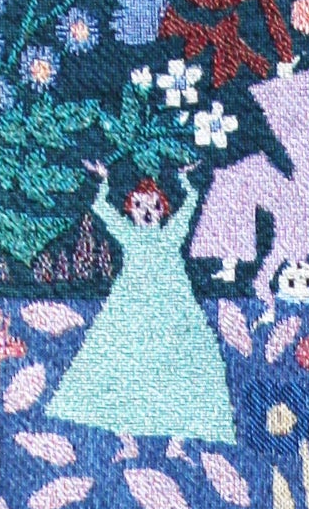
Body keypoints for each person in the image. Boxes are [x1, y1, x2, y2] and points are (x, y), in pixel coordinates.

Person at [49, 164, 238, 443]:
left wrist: (185, 180)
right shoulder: (129, 236)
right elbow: (101, 208)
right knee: (123, 367)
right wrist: (104, 180)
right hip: (132, 307)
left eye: (154, 205)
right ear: (130, 210)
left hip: (174, 309)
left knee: (182, 368)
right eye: (139, 205)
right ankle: (128, 441)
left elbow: (192, 203)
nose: (147, 211)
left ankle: (178, 443)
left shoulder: (171, 235)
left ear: (163, 209)